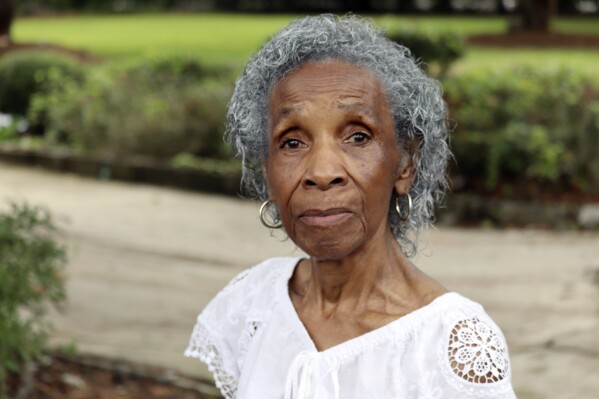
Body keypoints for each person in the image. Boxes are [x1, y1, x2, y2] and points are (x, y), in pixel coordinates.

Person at [185, 14, 516, 399]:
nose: (322, 172)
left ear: (406, 163)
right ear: (266, 172)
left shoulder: (449, 346)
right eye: (292, 142)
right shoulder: (254, 303)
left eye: (358, 136)